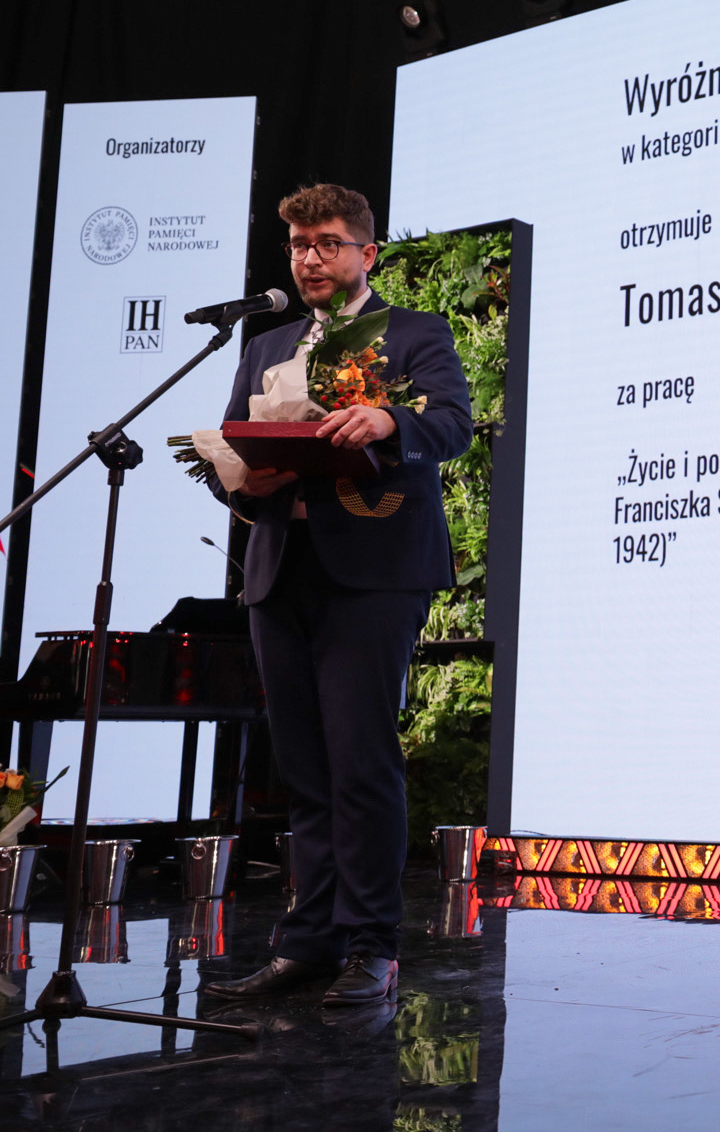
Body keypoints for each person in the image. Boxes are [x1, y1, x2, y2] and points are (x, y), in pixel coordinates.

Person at [202, 184, 473, 1007]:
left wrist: (390, 422)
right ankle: (309, 942)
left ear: (367, 253)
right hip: (280, 566)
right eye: (298, 245)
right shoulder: (266, 343)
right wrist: (242, 480)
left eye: (326, 243)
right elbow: (233, 449)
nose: (310, 258)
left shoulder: (415, 333)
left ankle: (370, 946)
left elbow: (453, 423)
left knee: (360, 761)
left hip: (374, 570)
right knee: (304, 769)